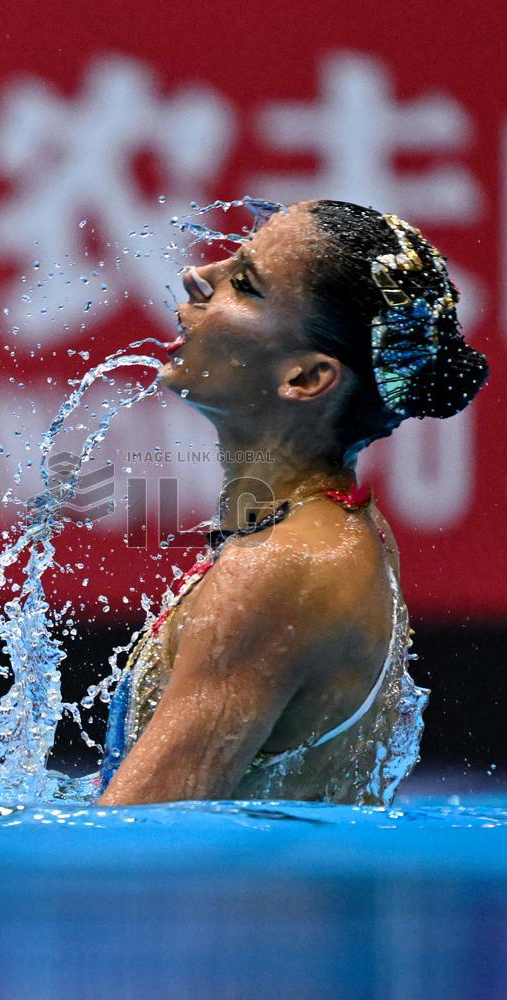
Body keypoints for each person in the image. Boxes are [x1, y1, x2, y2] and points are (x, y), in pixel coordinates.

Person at [97, 200, 489, 807]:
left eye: (246, 284)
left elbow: (140, 836)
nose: (200, 276)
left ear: (307, 379)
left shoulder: (280, 568)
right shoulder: (329, 528)